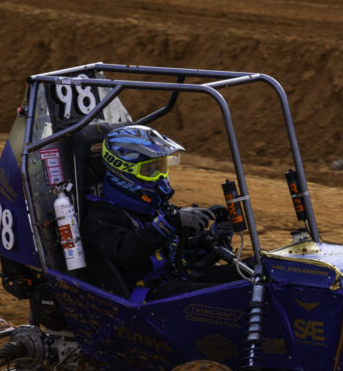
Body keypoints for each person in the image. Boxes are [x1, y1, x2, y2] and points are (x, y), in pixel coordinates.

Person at [82, 124, 240, 300]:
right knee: (229, 297)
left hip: (179, 279)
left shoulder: (156, 208)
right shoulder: (101, 215)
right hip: (148, 296)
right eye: (149, 169)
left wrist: (216, 235)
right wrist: (167, 224)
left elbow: (186, 254)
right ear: (122, 172)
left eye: (161, 167)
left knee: (255, 270)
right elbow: (124, 252)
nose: (159, 176)